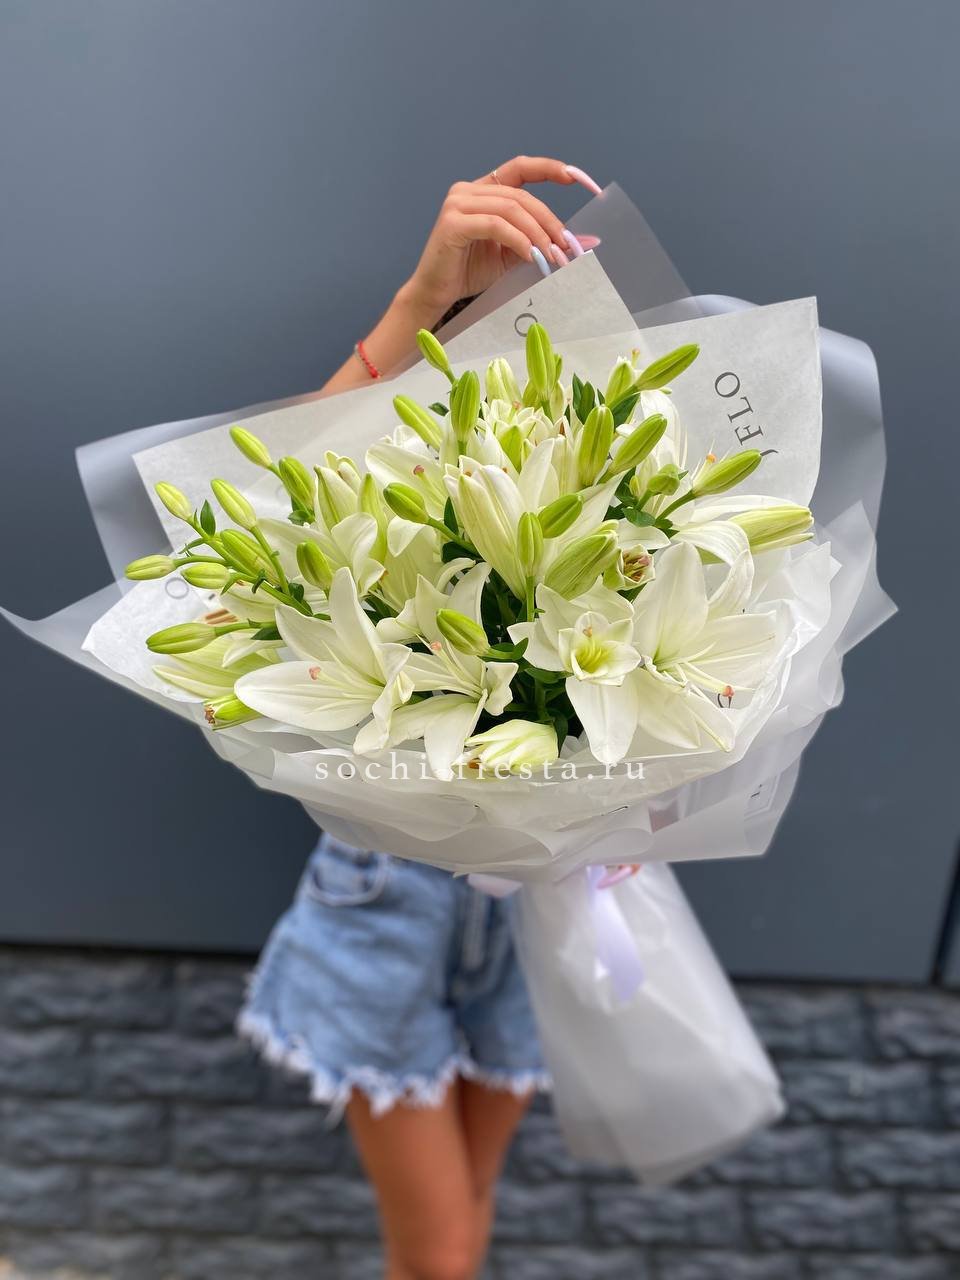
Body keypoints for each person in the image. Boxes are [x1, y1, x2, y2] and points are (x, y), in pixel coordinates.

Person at [237, 155, 603, 1280]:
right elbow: (254, 512)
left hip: (542, 898)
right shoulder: (396, 462)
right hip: (388, 894)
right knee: (438, 1250)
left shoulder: (604, 476)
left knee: (471, 1213)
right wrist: (421, 299)